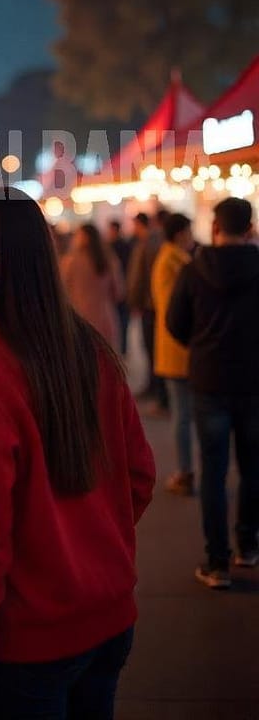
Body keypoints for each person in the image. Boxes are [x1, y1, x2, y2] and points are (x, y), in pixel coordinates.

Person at [0, 187, 155, 720]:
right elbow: (138, 476)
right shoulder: (86, 347)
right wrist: (84, 545)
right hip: (108, 621)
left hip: (28, 646)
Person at [167, 196, 259, 589]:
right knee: (253, 469)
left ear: (216, 228)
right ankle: (248, 546)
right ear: (250, 228)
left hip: (208, 382)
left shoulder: (193, 270)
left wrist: (201, 346)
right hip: (254, 382)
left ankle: (217, 562)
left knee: (214, 471)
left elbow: (175, 323)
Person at [151, 212, 195, 496]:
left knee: (185, 413)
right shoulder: (173, 262)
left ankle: (187, 469)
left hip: (176, 347)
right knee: (183, 414)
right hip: (179, 347)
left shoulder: (172, 259)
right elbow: (176, 310)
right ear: (180, 233)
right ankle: (184, 470)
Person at [127, 211, 168, 412]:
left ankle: (160, 394)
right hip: (154, 304)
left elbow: (139, 277)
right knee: (153, 350)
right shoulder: (157, 243)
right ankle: (156, 389)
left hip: (148, 305)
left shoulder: (146, 244)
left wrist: (134, 301)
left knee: (152, 349)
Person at [60, 223, 124, 351]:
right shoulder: (109, 260)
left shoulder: (70, 262)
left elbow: (62, 292)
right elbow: (118, 293)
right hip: (106, 319)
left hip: (79, 321)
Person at [106, 219, 132, 352]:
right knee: (123, 319)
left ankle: (121, 346)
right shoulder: (126, 245)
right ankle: (123, 347)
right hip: (125, 285)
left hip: (120, 286)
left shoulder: (110, 248)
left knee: (120, 318)